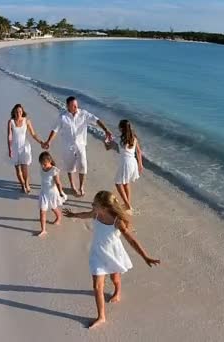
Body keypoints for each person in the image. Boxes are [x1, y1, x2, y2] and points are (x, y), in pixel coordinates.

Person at [62, 191, 160, 329]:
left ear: (105, 207)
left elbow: (131, 240)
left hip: (113, 254)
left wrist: (145, 257)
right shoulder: (96, 213)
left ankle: (117, 290)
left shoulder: (117, 221)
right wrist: (73, 215)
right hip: (97, 254)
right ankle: (101, 316)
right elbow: (85, 214)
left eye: (94, 204)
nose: (92, 205)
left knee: (115, 279)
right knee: (97, 286)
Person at [42, 96, 113, 197]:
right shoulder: (63, 117)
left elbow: (96, 120)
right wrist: (49, 141)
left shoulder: (83, 114)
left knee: (83, 166)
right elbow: (55, 129)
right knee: (70, 167)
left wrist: (106, 130)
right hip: (68, 146)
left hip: (81, 145)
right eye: (73, 105)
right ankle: (72, 186)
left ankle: (81, 186)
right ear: (68, 106)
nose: (76, 107)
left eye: (76, 105)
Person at [104, 119, 144, 212]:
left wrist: (105, 140)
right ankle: (128, 203)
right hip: (133, 162)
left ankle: (127, 204)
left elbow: (107, 147)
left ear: (121, 128)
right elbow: (138, 151)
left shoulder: (119, 139)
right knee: (126, 183)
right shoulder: (134, 138)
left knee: (118, 183)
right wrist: (140, 164)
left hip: (125, 163)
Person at [7, 104, 44, 193]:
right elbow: (9, 136)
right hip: (15, 147)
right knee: (17, 168)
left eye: (20, 111)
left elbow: (33, 134)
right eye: (16, 112)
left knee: (25, 167)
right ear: (14, 112)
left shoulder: (26, 121)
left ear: (22, 112)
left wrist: (41, 142)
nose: (18, 113)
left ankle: (27, 183)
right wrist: (9, 149)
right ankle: (22, 184)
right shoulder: (10, 122)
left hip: (24, 147)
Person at [37, 152, 67, 237]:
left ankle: (59, 217)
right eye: (41, 164)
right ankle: (43, 230)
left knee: (53, 207)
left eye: (45, 164)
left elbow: (58, 183)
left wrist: (61, 192)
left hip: (52, 193)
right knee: (42, 211)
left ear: (49, 161)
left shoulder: (54, 170)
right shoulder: (42, 168)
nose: (43, 166)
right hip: (43, 193)